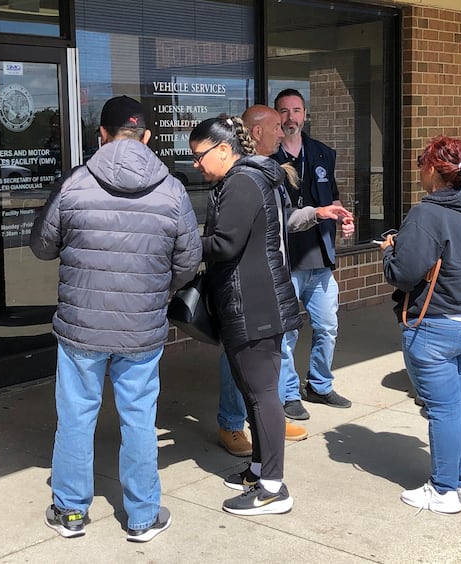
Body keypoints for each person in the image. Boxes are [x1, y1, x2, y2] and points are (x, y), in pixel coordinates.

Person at [30, 95, 202, 541]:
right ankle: (142, 516)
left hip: (81, 326)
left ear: (100, 135)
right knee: (140, 418)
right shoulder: (172, 189)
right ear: (146, 136)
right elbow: (189, 261)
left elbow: (42, 247)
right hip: (142, 326)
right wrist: (156, 289)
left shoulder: (74, 184)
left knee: (76, 417)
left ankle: (70, 512)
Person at [215, 104, 354, 455]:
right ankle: (230, 424)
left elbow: (283, 218)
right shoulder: (238, 175)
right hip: (245, 284)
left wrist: (318, 212)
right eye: (276, 125)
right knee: (239, 357)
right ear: (256, 132)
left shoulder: (268, 171)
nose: (282, 132)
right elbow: (226, 237)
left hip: (270, 279)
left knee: (270, 354)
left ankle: (268, 417)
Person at [380, 135, 461, 515]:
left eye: (420, 163)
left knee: (444, 410)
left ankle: (443, 490)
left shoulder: (426, 213)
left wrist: (388, 253)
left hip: (437, 328)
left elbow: (404, 273)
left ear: (432, 168)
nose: (418, 170)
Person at [190, 115, 301, 515]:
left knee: (263, 396)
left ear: (224, 149)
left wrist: (181, 241)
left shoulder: (241, 181)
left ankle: (272, 488)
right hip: (250, 302)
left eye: (200, 155)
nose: (196, 165)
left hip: (254, 304)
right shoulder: (247, 179)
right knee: (255, 395)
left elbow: (224, 243)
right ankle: (258, 468)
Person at [272, 88, 354, 417]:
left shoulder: (322, 153)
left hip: (320, 259)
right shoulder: (269, 158)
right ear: (277, 116)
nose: (291, 117)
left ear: (305, 115)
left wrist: (343, 217)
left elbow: (331, 199)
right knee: (287, 333)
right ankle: (288, 394)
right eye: (284, 111)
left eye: (296, 110)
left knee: (327, 327)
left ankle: (319, 385)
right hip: (287, 262)